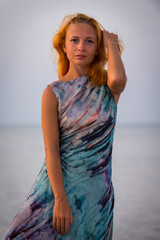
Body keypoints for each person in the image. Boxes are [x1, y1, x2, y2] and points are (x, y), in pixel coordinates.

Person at [3, 13, 127, 240]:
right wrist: (60, 199)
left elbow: (119, 80)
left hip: (98, 195)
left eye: (90, 41)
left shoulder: (107, 88)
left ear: (98, 48)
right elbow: (52, 150)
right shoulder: (53, 92)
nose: (81, 46)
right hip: (56, 191)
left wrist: (111, 44)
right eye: (75, 40)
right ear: (64, 46)